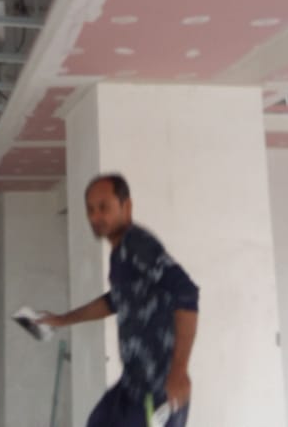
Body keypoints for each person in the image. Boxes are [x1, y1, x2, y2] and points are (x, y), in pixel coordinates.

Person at [39, 174, 199, 427]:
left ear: (127, 206)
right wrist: (61, 320)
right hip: (131, 384)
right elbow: (116, 301)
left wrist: (179, 370)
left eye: (104, 207)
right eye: (90, 209)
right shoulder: (121, 252)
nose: (95, 216)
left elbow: (187, 292)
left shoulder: (138, 244)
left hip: (158, 389)